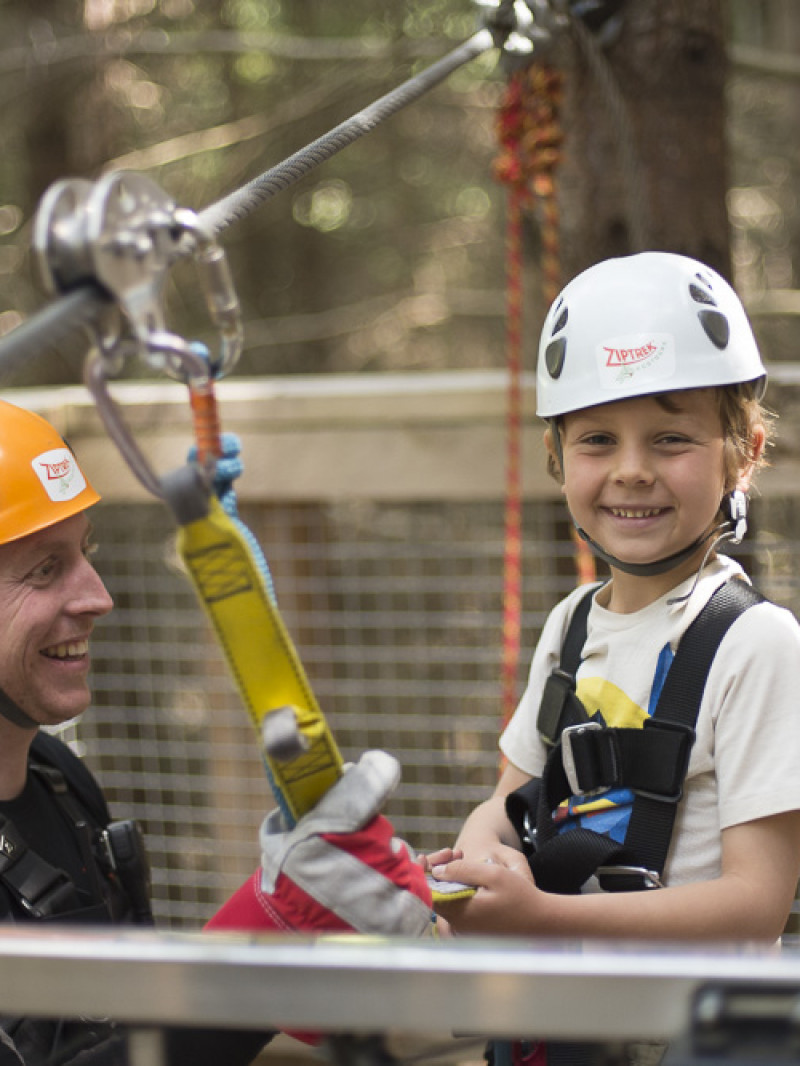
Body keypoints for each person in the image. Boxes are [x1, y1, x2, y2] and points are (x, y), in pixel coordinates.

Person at [426, 252, 800, 1062]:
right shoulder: (569, 628)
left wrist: (540, 919)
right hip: (576, 1030)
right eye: (599, 439)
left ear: (744, 450)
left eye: (671, 438)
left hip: (709, 1037)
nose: (632, 469)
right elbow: (511, 802)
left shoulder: (755, 644)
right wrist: (476, 864)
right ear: (559, 458)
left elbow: (756, 904)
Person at [0, 399, 431, 1066]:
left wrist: (296, 910)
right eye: (45, 569)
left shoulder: (58, 781)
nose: (98, 597)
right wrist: (271, 948)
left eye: (84, 552)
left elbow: (125, 1032)